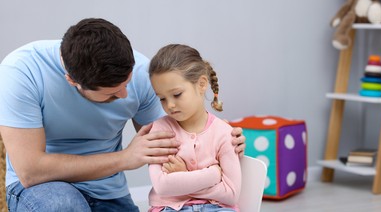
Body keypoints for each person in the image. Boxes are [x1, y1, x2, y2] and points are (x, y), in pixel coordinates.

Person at [0, 18, 245, 211]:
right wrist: (125, 159)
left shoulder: (141, 71)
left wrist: (218, 136)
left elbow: (174, 137)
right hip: (43, 189)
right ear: (72, 81)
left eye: (127, 83)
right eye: (113, 93)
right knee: (63, 206)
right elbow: (31, 171)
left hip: (108, 192)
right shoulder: (21, 72)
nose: (126, 95)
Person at [147, 44, 241, 212]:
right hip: (169, 208)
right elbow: (162, 186)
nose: (170, 105)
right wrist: (212, 175)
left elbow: (231, 194)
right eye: (162, 98)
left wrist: (184, 176)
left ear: (202, 84)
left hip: (217, 208)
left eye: (176, 94)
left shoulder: (224, 133)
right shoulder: (159, 131)